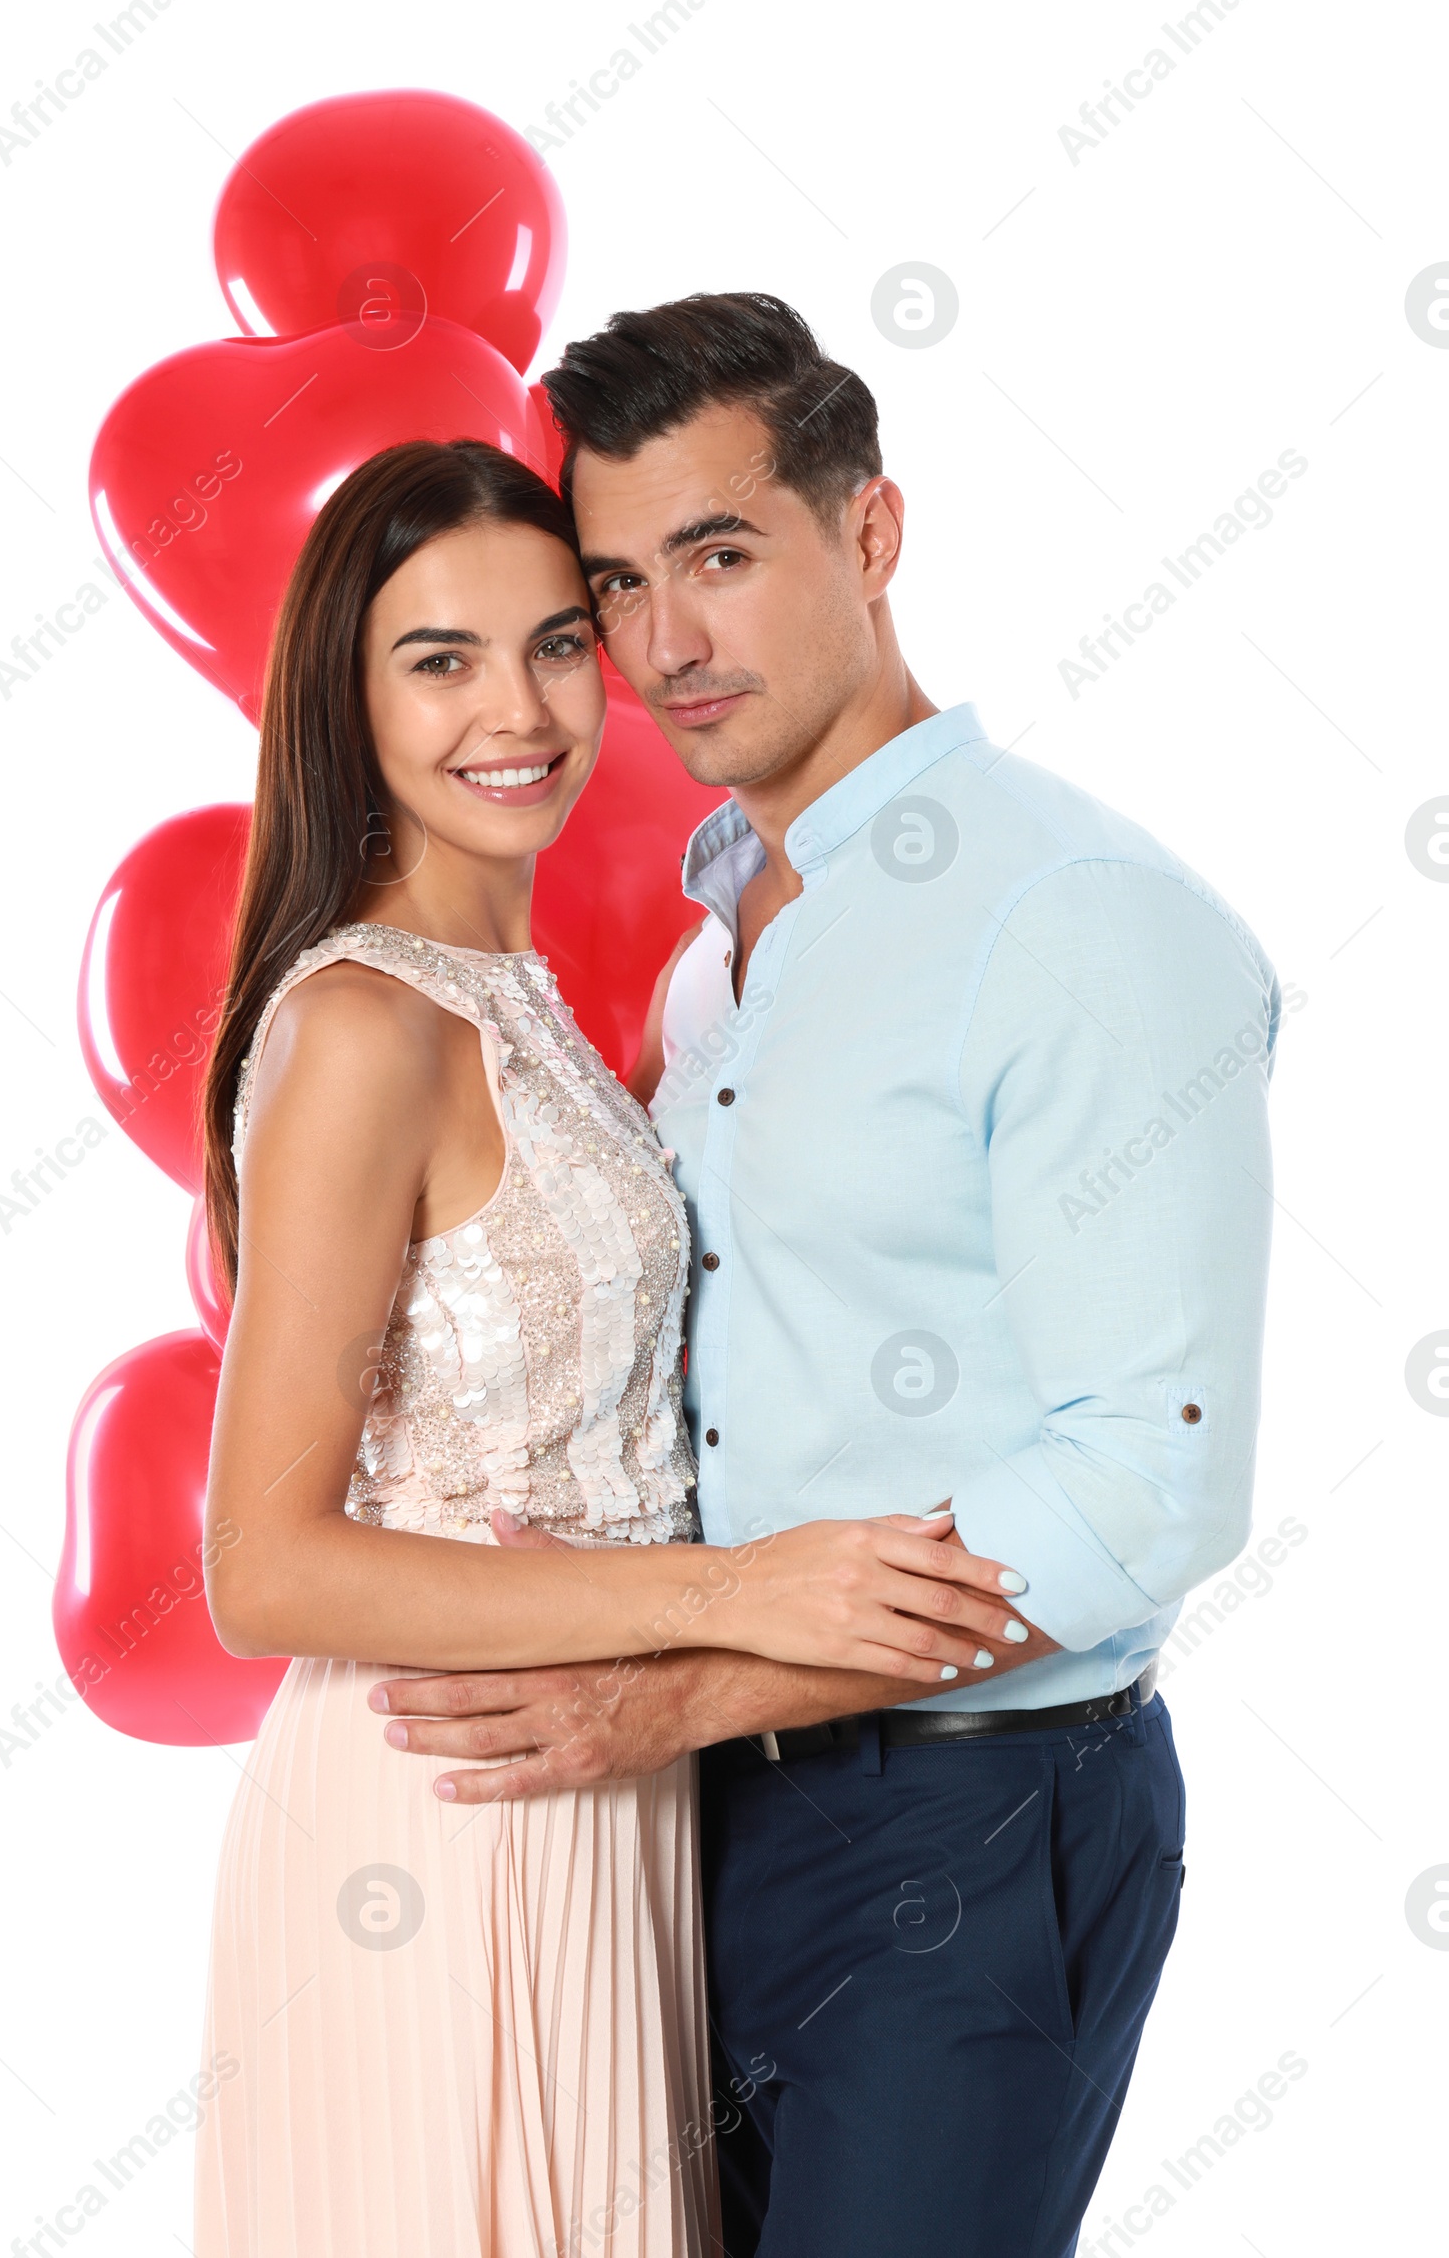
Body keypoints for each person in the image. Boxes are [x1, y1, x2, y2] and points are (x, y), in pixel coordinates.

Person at [373, 299, 1280, 2257]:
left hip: (966, 1810)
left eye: (718, 554)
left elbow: (1152, 1480)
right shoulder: (718, 943)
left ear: (867, 535)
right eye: (615, 583)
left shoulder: (1075, 921)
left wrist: (694, 1676)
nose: (663, 643)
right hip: (690, 1812)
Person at [190, 434, 1032, 2258]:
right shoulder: (365, 1024)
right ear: (347, 697)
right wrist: (743, 1593)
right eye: (441, 659)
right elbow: (261, 1565)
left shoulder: (538, 998)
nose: (521, 706)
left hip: (610, 1798)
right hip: (440, 1811)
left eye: (559, 641)